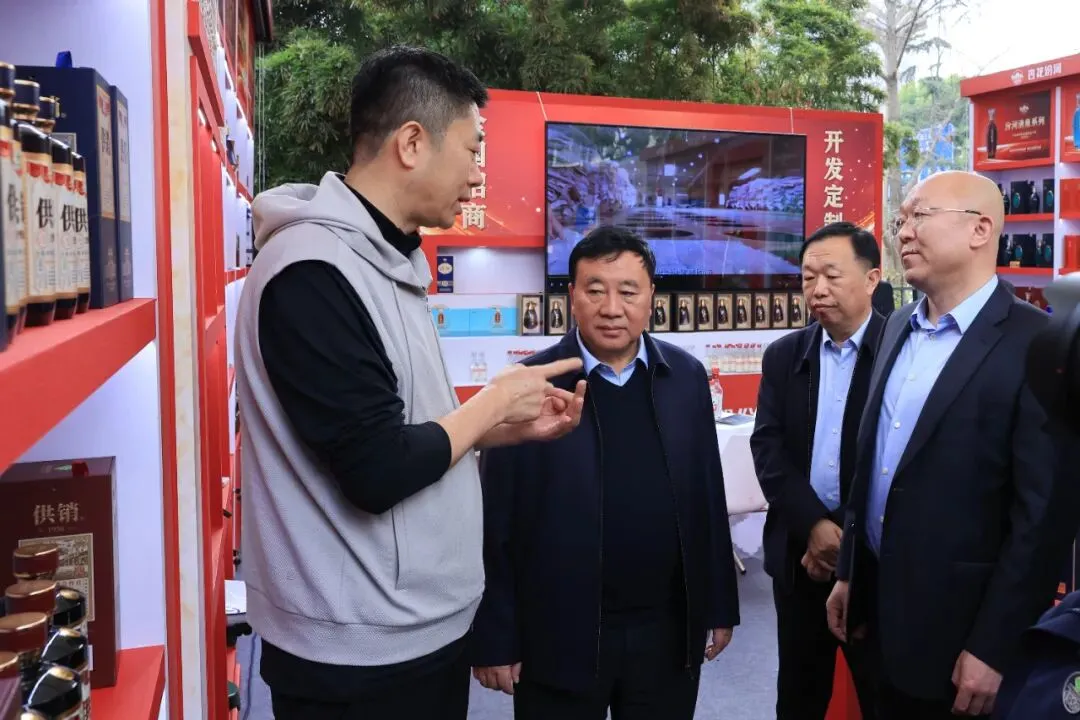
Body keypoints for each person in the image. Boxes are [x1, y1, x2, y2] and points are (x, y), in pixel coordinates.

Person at [234, 45, 587, 720]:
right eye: (472, 150)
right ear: (412, 143)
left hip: (408, 631)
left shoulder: (385, 261)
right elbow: (375, 470)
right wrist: (491, 402)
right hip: (356, 658)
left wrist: (499, 429)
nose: (478, 175)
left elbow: (394, 429)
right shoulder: (314, 273)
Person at [826, 171, 1080, 719]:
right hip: (875, 619)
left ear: (980, 230)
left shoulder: (1036, 344)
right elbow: (871, 464)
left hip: (962, 638)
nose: (903, 232)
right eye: (901, 220)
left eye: (919, 216)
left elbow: (1042, 519)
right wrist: (850, 572)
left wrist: (995, 645)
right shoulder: (895, 326)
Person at [470, 226, 740, 719]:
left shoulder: (684, 378)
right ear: (572, 296)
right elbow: (495, 520)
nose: (612, 308)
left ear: (651, 296)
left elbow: (707, 496)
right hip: (557, 634)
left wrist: (720, 604)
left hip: (665, 631)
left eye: (628, 292)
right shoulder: (530, 386)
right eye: (595, 290)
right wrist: (495, 633)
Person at [751, 222, 884, 720]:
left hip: (872, 561)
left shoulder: (898, 350)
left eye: (831, 275)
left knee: (882, 693)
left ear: (871, 279)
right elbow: (768, 448)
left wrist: (843, 537)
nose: (818, 289)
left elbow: (895, 461)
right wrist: (812, 526)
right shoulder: (784, 355)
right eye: (808, 277)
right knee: (799, 695)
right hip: (800, 558)